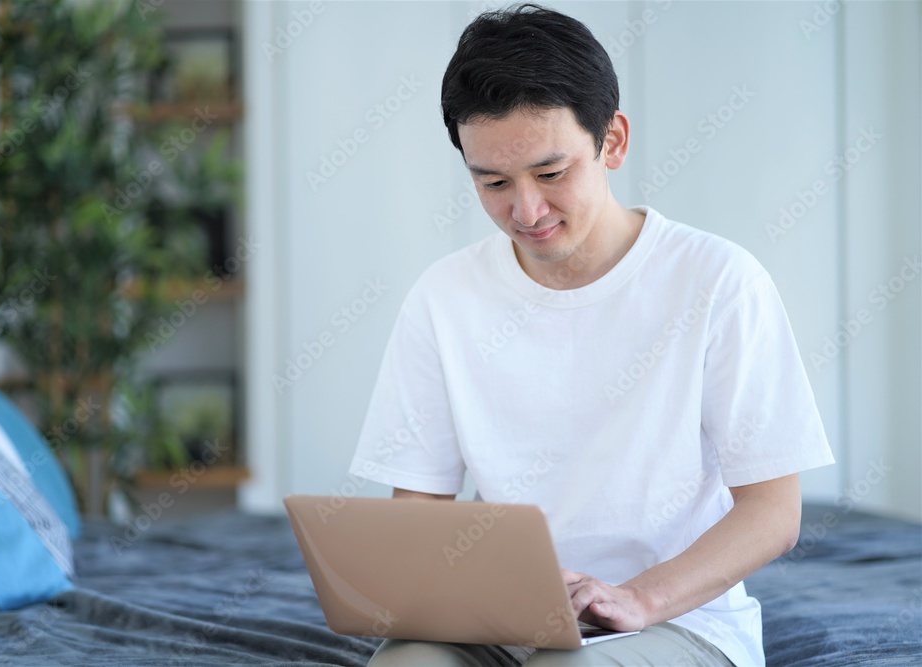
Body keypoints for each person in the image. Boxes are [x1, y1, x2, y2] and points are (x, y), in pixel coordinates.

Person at [348, 4, 834, 666]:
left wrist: (639, 598)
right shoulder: (443, 296)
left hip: (677, 618)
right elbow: (419, 512)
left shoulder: (719, 281)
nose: (526, 210)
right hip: (496, 617)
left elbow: (774, 513)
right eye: (493, 182)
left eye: (551, 174)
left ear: (613, 141)